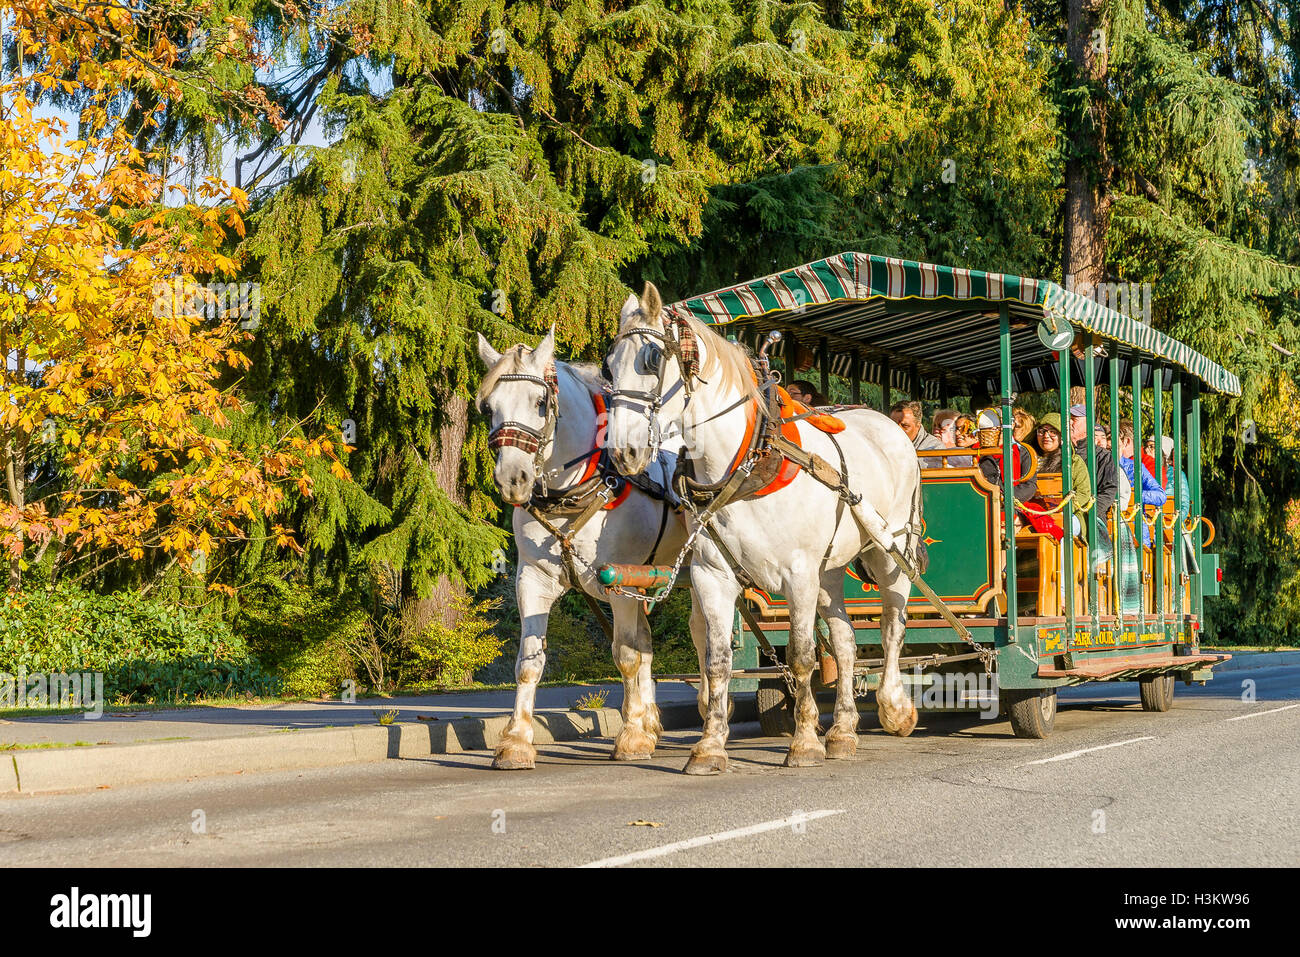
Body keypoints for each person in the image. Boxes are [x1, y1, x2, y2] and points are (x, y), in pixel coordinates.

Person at [1068, 405, 1118, 568]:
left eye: (1074, 419)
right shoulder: (1060, 453)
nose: (1069, 423)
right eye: (1068, 418)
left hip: (1088, 513)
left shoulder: (1102, 456)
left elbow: (1109, 489)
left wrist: (1091, 510)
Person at [1031, 412, 1093, 539]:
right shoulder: (1029, 460)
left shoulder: (1073, 462)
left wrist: (1062, 510)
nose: (1046, 436)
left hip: (1068, 514)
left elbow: (1084, 493)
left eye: (1053, 431)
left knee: (1065, 528)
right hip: (1034, 513)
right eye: (1042, 431)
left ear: (1061, 436)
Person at [1116, 419, 1167, 548]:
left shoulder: (1140, 465)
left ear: (1124, 442)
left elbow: (1160, 494)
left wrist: (1132, 495)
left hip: (1137, 523)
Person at [890, 399, 946, 468]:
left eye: (905, 426)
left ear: (918, 425)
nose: (897, 430)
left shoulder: (935, 448)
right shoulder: (883, 444)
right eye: (893, 424)